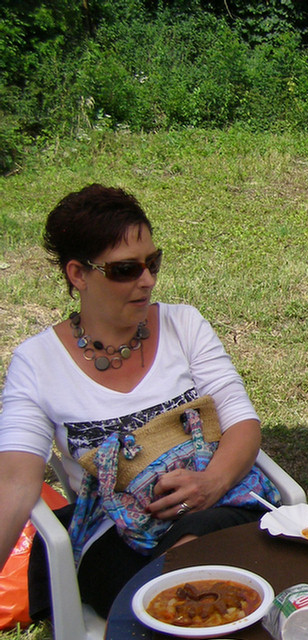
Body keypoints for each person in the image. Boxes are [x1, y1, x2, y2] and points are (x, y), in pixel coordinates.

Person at [0, 184, 276, 616]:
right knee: (181, 584)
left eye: (153, 263)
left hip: (218, 504)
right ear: (78, 275)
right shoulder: (37, 363)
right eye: (125, 269)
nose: (147, 280)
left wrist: (211, 482)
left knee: (197, 554)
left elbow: (242, 422)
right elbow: (14, 484)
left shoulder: (184, 325)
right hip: (114, 532)